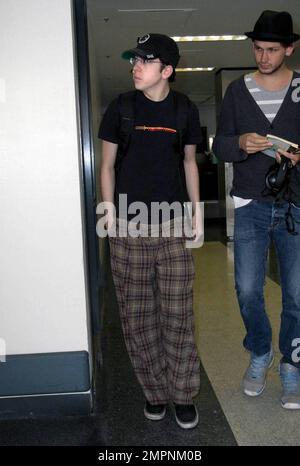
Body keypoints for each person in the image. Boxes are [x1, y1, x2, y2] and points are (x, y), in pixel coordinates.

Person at [99, 33, 203, 428]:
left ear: (167, 70)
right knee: (138, 317)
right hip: (128, 226)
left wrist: (196, 214)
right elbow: (107, 165)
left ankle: (183, 393)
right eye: (134, 60)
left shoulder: (184, 110)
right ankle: (155, 393)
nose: (135, 66)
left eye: (144, 60)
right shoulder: (121, 108)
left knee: (178, 314)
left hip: (174, 224)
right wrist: (108, 211)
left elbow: (190, 163)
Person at [213, 10, 300, 409]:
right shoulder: (236, 90)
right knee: (248, 289)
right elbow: (220, 146)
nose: (262, 57)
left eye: (271, 50)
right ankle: (261, 351)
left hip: (294, 204)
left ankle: (291, 363)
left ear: (289, 48)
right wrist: (240, 143)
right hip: (249, 201)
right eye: (257, 49)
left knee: (297, 293)